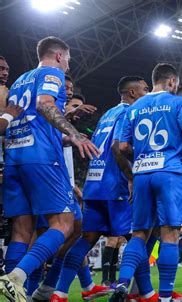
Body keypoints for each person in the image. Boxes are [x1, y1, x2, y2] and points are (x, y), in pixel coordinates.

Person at [0, 36, 99, 301]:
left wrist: (65, 130)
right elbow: (45, 104)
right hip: (42, 159)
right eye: (68, 59)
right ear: (58, 56)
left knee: (22, 230)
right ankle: (17, 277)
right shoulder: (52, 73)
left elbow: (32, 119)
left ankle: (16, 292)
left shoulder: (20, 81)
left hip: (14, 158)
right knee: (65, 224)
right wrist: (75, 133)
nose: (67, 65)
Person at [48, 76, 149, 302]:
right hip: (115, 186)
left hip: (94, 185)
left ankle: (59, 293)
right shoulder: (128, 112)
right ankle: (129, 288)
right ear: (132, 93)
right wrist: (131, 178)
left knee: (86, 240)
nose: (147, 92)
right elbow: (117, 147)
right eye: (144, 89)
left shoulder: (107, 114)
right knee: (137, 238)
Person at [109, 63, 182, 302]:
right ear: (172, 82)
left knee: (139, 235)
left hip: (141, 174)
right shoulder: (179, 103)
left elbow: (123, 146)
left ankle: (123, 284)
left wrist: (143, 157)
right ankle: (166, 297)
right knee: (170, 234)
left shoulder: (134, 108)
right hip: (169, 172)